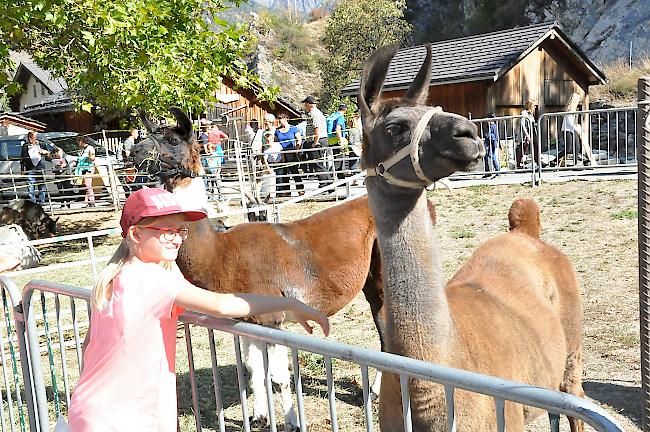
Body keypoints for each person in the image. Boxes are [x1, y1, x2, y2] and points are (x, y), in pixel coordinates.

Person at [66, 188, 329, 431]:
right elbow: (223, 304)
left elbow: (90, 343)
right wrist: (289, 303)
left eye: (181, 230)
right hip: (126, 417)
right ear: (136, 234)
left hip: (89, 406)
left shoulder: (111, 277)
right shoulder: (156, 280)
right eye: (167, 231)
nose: (178, 239)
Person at [301, 95, 332, 188]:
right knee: (317, 163)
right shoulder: (315, 113)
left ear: (309, 104)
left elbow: (317, 128)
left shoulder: (314, 114)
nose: (305, 106)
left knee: (317, 163)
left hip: (317, 141)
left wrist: (315, 142)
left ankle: (325, 183)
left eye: (305, 104)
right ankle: (328, 182)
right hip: (317, 140)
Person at [274, 112, 304, 196]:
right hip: (281, 152)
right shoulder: (277, 131)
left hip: (291, 151)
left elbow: (299, 139)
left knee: (294, 171)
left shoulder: (293, 128)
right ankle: (286, 191)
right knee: (283, 172)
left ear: (286, 119)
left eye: (281, 118)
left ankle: (300, 189)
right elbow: (276, 141)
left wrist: (297, 149)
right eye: (279, 118)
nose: (280, 120)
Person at [20, 131, 49, 205]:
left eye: (32, 138)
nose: (31, 139)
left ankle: (42, 202)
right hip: (30, 168)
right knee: (31, 187)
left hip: (40, 167)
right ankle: (33, 203)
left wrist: (45, 152)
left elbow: (48, 154)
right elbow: (23, 157)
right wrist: (22, 169)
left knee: (41, 186)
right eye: (30, 138)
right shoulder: (25, 146)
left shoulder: (41, 144)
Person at [561, 92, 586, 165]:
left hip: (573, 130)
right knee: (568, 149)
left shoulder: (575, 109)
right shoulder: (570, 109)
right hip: (568, 130)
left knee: (577, 147)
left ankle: (575, 164)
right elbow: (569, 122)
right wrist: (577, 129)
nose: (579, 100)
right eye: (578, 98)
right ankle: (555, 160)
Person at [327, 103, 348, 178]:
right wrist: (341, 141)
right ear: (345, 109)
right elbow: (337, 129)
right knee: (338, 160)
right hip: (337, 140)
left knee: (339, 159)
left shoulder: (333, 115)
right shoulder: (341, 117)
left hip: (330, 140)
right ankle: (328, 176)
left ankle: (341, 178)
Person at [74, 136, 96, 208]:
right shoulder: (83, 149)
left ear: (82, 141)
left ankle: (92, 202)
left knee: (88, 185)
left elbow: (92, 158)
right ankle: (89, 201)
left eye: (78, 141)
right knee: (86, 185)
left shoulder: (90, 148)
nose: (78, 143)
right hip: (83, 169)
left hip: (88, 168)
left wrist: (89, 157)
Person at [518, 100, 537, 170]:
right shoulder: (524, 113)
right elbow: (523, 125)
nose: (534, 107)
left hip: (532, 132)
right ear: (530, 106)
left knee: (535, 146)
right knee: (523, 147)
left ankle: (537, 161)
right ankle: (518, 163)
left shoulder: (531, 114)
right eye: (533, 105)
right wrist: (527, 135)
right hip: (526, 132)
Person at [482, 113, 501, 178]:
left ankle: (497, 171)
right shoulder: (491, 126)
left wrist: (488, 136)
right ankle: (487, 172)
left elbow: (493, 136)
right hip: (488, 143)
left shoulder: (493, 126)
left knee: (493, 156)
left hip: (491, 144)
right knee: (486, 157)